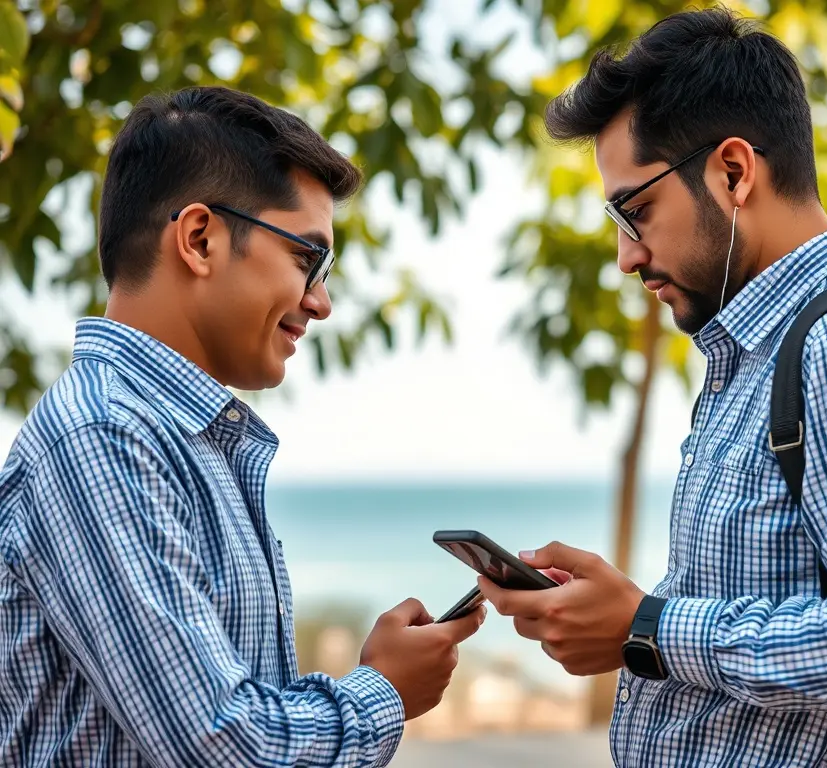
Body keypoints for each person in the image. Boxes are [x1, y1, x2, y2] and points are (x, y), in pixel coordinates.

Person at [475, 8, 827, 767]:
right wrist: (631, 614)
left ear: (734, 172)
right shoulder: (760, 355)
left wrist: (648, 627)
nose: (625, 257)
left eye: (635, 211)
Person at [0, 86, 484, 767]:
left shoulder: (177, 440)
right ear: (201, 239)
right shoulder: (103, 438)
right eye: (306, 258)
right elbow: (226, 746)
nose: (322, 302)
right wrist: (383, 692)